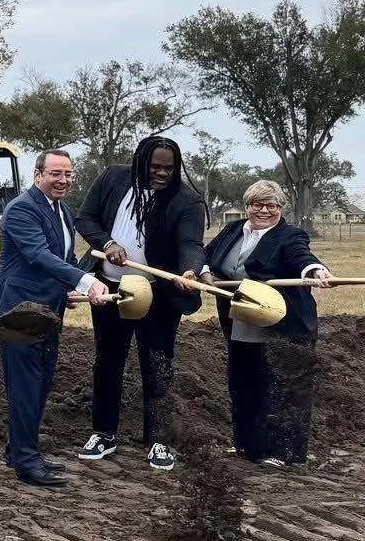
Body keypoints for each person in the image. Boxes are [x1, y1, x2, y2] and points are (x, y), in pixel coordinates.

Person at [74, 135, 206, 470]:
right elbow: (85, 219)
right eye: (155, 167)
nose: (162, 174)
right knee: (107, 362)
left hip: (158, 294)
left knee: (157, 364)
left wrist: (189, 270)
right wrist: (108, 242)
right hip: (110, 291)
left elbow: (190, 242)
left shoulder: (186, 200)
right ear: (139, 163)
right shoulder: (112, 179)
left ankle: (159, 440)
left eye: (169, 169)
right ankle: (103, 433)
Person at [0, 149, 108, 488]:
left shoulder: (64, 211)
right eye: (56, 173)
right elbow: (37, 255)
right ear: (38, 174)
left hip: (48, 309)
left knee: (39, 384)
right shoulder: (22, 209)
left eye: (69, 174)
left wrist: (69, 290)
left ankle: (19, 450)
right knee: (26, 386)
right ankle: (27, 462)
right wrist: (85, 281)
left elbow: (65, 257)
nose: (63, 180)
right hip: (19, 311)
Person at [202, 180, 333, 467]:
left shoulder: (290, 235)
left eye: (272, 206)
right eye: (257, 204)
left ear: (281, 208)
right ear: (247, 206)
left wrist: (316, 270)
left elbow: (303, 257)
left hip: (284, 323)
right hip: (242, 319)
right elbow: (206, 256)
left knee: (281, 387)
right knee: (244, 383)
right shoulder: (232, 230)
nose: (264, 210)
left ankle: (283, 452)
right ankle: (247, 445)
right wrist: (204, 273)